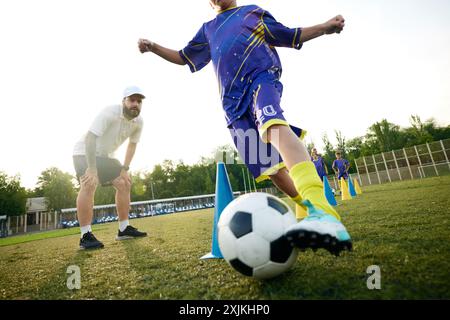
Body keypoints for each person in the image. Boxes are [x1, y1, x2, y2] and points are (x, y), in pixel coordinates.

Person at [138, 0, 352, 255]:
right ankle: (308, 210)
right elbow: (184, 57)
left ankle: (324, 214)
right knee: (269, 168)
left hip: (261, 80)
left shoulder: (251, 13)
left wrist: (324, 27)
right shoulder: (207, 29)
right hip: (232, 105)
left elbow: (289, 35)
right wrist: (153, 47)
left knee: (273, 126)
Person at [73, 86, 148, 250]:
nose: (135, 104)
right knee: (89, 183)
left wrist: (125, 169)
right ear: (123, 101)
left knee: (124, 182)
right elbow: (91, 139)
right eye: (132, 100)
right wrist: (92, 169)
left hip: (106, 156)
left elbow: (132, 145)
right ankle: (85, 236)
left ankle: (123, 229)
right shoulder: (110, 112)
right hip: (84, 152)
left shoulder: (139, 121)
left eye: (139, 101)